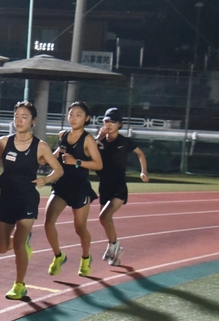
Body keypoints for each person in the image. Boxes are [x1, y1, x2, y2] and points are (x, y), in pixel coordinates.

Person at [0, 101, 63, 300]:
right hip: (7, 198)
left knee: (18, 243)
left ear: (33, 121)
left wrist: (46, 179)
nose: (19, 120)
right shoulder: (4, 142)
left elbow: (59, 169)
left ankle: (20, 285)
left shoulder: (40, 146)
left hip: (27, 199)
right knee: (1, 247)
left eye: (24, 117)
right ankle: (24, 244)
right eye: (16, 116)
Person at [44, 101, 102, 277]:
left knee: (79, 228)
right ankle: (58, 256)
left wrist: (76, 162)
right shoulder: (64, 134)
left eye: (78, 115)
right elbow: (57, 155)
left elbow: (98, 164)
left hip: (79, 189)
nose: (73, 118)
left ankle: (85, 258)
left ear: (87, 118)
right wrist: (46, 157)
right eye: (71, 114)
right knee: (48, 222)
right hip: (61, 186)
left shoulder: (88, 139)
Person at [95, 107, 149, 265]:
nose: (109, 124)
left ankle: (114, 246)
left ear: (119, 124)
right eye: (106, 121)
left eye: (113, 121)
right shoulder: (99, 142)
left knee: (104, 217)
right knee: (106, 220)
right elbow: (87, 152)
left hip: (118, 186)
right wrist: (99, 137)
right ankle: (115, 247)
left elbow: (140, 153)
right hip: (104, 185)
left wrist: (143, 171)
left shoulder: (125, 142)